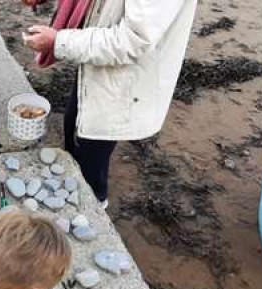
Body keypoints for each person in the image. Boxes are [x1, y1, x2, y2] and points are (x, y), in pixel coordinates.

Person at [22, 0, 198, 208]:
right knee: (73, 128)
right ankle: (75, 197)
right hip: (98, 68)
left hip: (122, 81)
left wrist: (58, 42)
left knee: (91, 152)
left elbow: (134, 40)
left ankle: (93, 208)